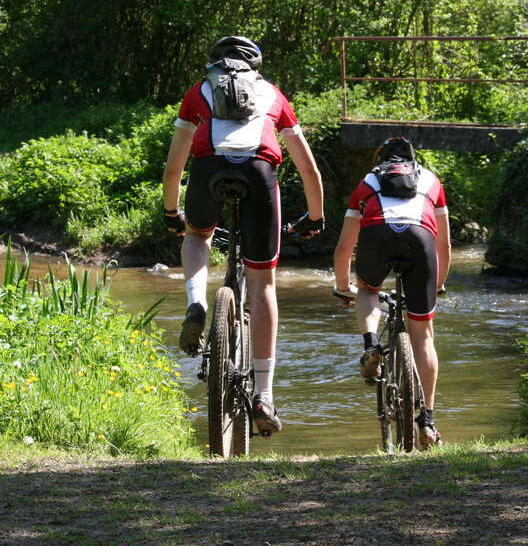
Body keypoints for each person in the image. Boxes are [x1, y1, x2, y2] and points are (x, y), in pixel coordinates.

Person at [162, 36, 324, 436]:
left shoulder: (198, 92)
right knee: (263, 281)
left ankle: (196, 304)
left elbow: (173, 166)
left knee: (198, 235)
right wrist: (315, 218)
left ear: (214, 63)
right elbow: (309, 171)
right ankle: (264, 394)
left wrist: (171, 212)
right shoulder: (273, 94)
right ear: (256, 65)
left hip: (208, 170)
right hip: (259, 174)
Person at [332, 136, 451, 448]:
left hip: (377, 239)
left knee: (368, 289)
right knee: (423, 334)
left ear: (380, 160)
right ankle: (427, 419)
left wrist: (344, 288)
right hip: (420, 241)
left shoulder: (368, 183)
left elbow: (344, 248)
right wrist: (438, 284)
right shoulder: (430, 181)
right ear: (413, 161)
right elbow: (444, 245)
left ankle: (371, 345)